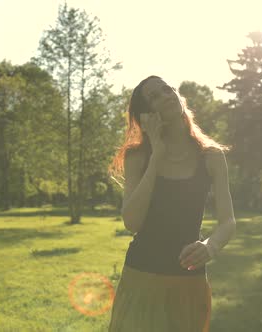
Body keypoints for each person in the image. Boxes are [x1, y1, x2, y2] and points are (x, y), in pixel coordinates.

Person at [107, 76, 237, 332]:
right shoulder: (138, 157)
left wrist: (210, 246)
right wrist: (157, 156)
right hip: (141, 276)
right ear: (146, 116)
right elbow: (132, 222)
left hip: (188, 280)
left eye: (167, 89)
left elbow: (228, 221)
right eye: (154, 96)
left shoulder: (211, 156)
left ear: (180, 97)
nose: (165, 96)